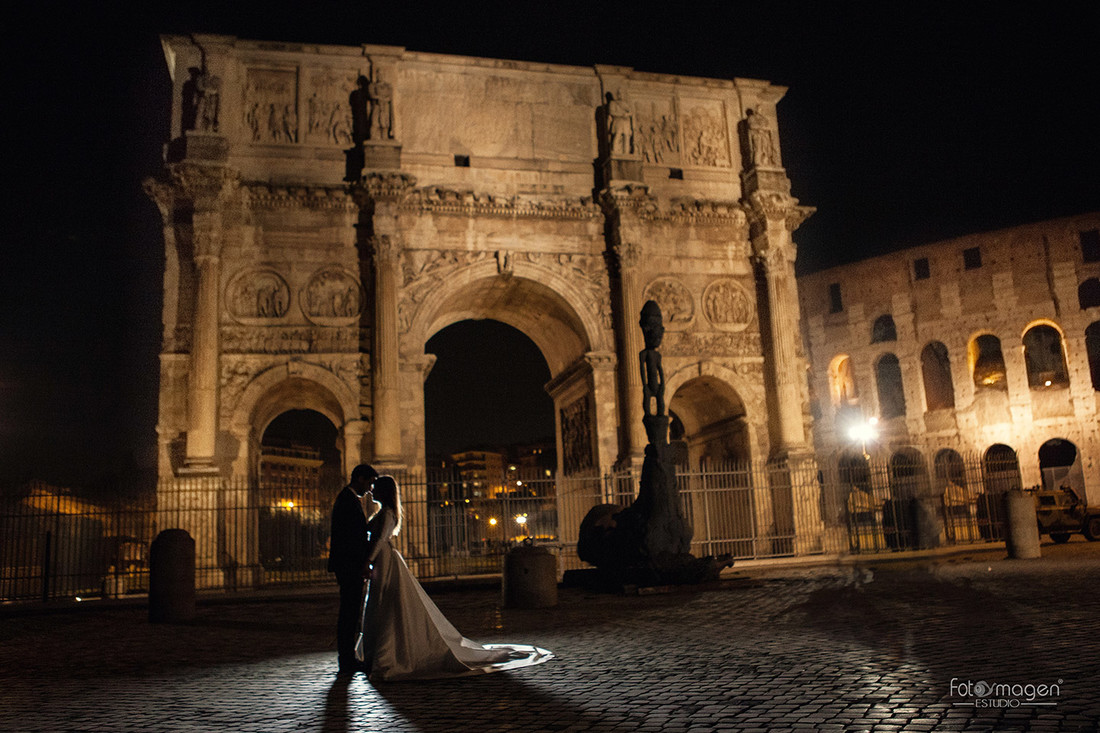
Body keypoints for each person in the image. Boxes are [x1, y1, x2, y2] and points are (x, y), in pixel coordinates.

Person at [356, 476, 554, 681]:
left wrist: (367, 561)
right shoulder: (383, 512)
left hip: (384, 559)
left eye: (375, 488)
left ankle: (383, 653)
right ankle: (378, 651)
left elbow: (379, 539)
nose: (371, 491)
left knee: (384, 602)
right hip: (382, 558)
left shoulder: (387, 513)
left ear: (384, 491)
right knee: (379, 603)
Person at [328, 463, 378, 675]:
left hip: (348, 564)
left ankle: (348, 659)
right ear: (359, 478)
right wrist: (364, 561)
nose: (370, 489)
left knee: (350, 613)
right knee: (349, 614)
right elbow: (351, 539)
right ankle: (347, 661)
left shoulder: (347, 499)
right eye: (369, 483)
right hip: (349, 566)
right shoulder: (347, 501)